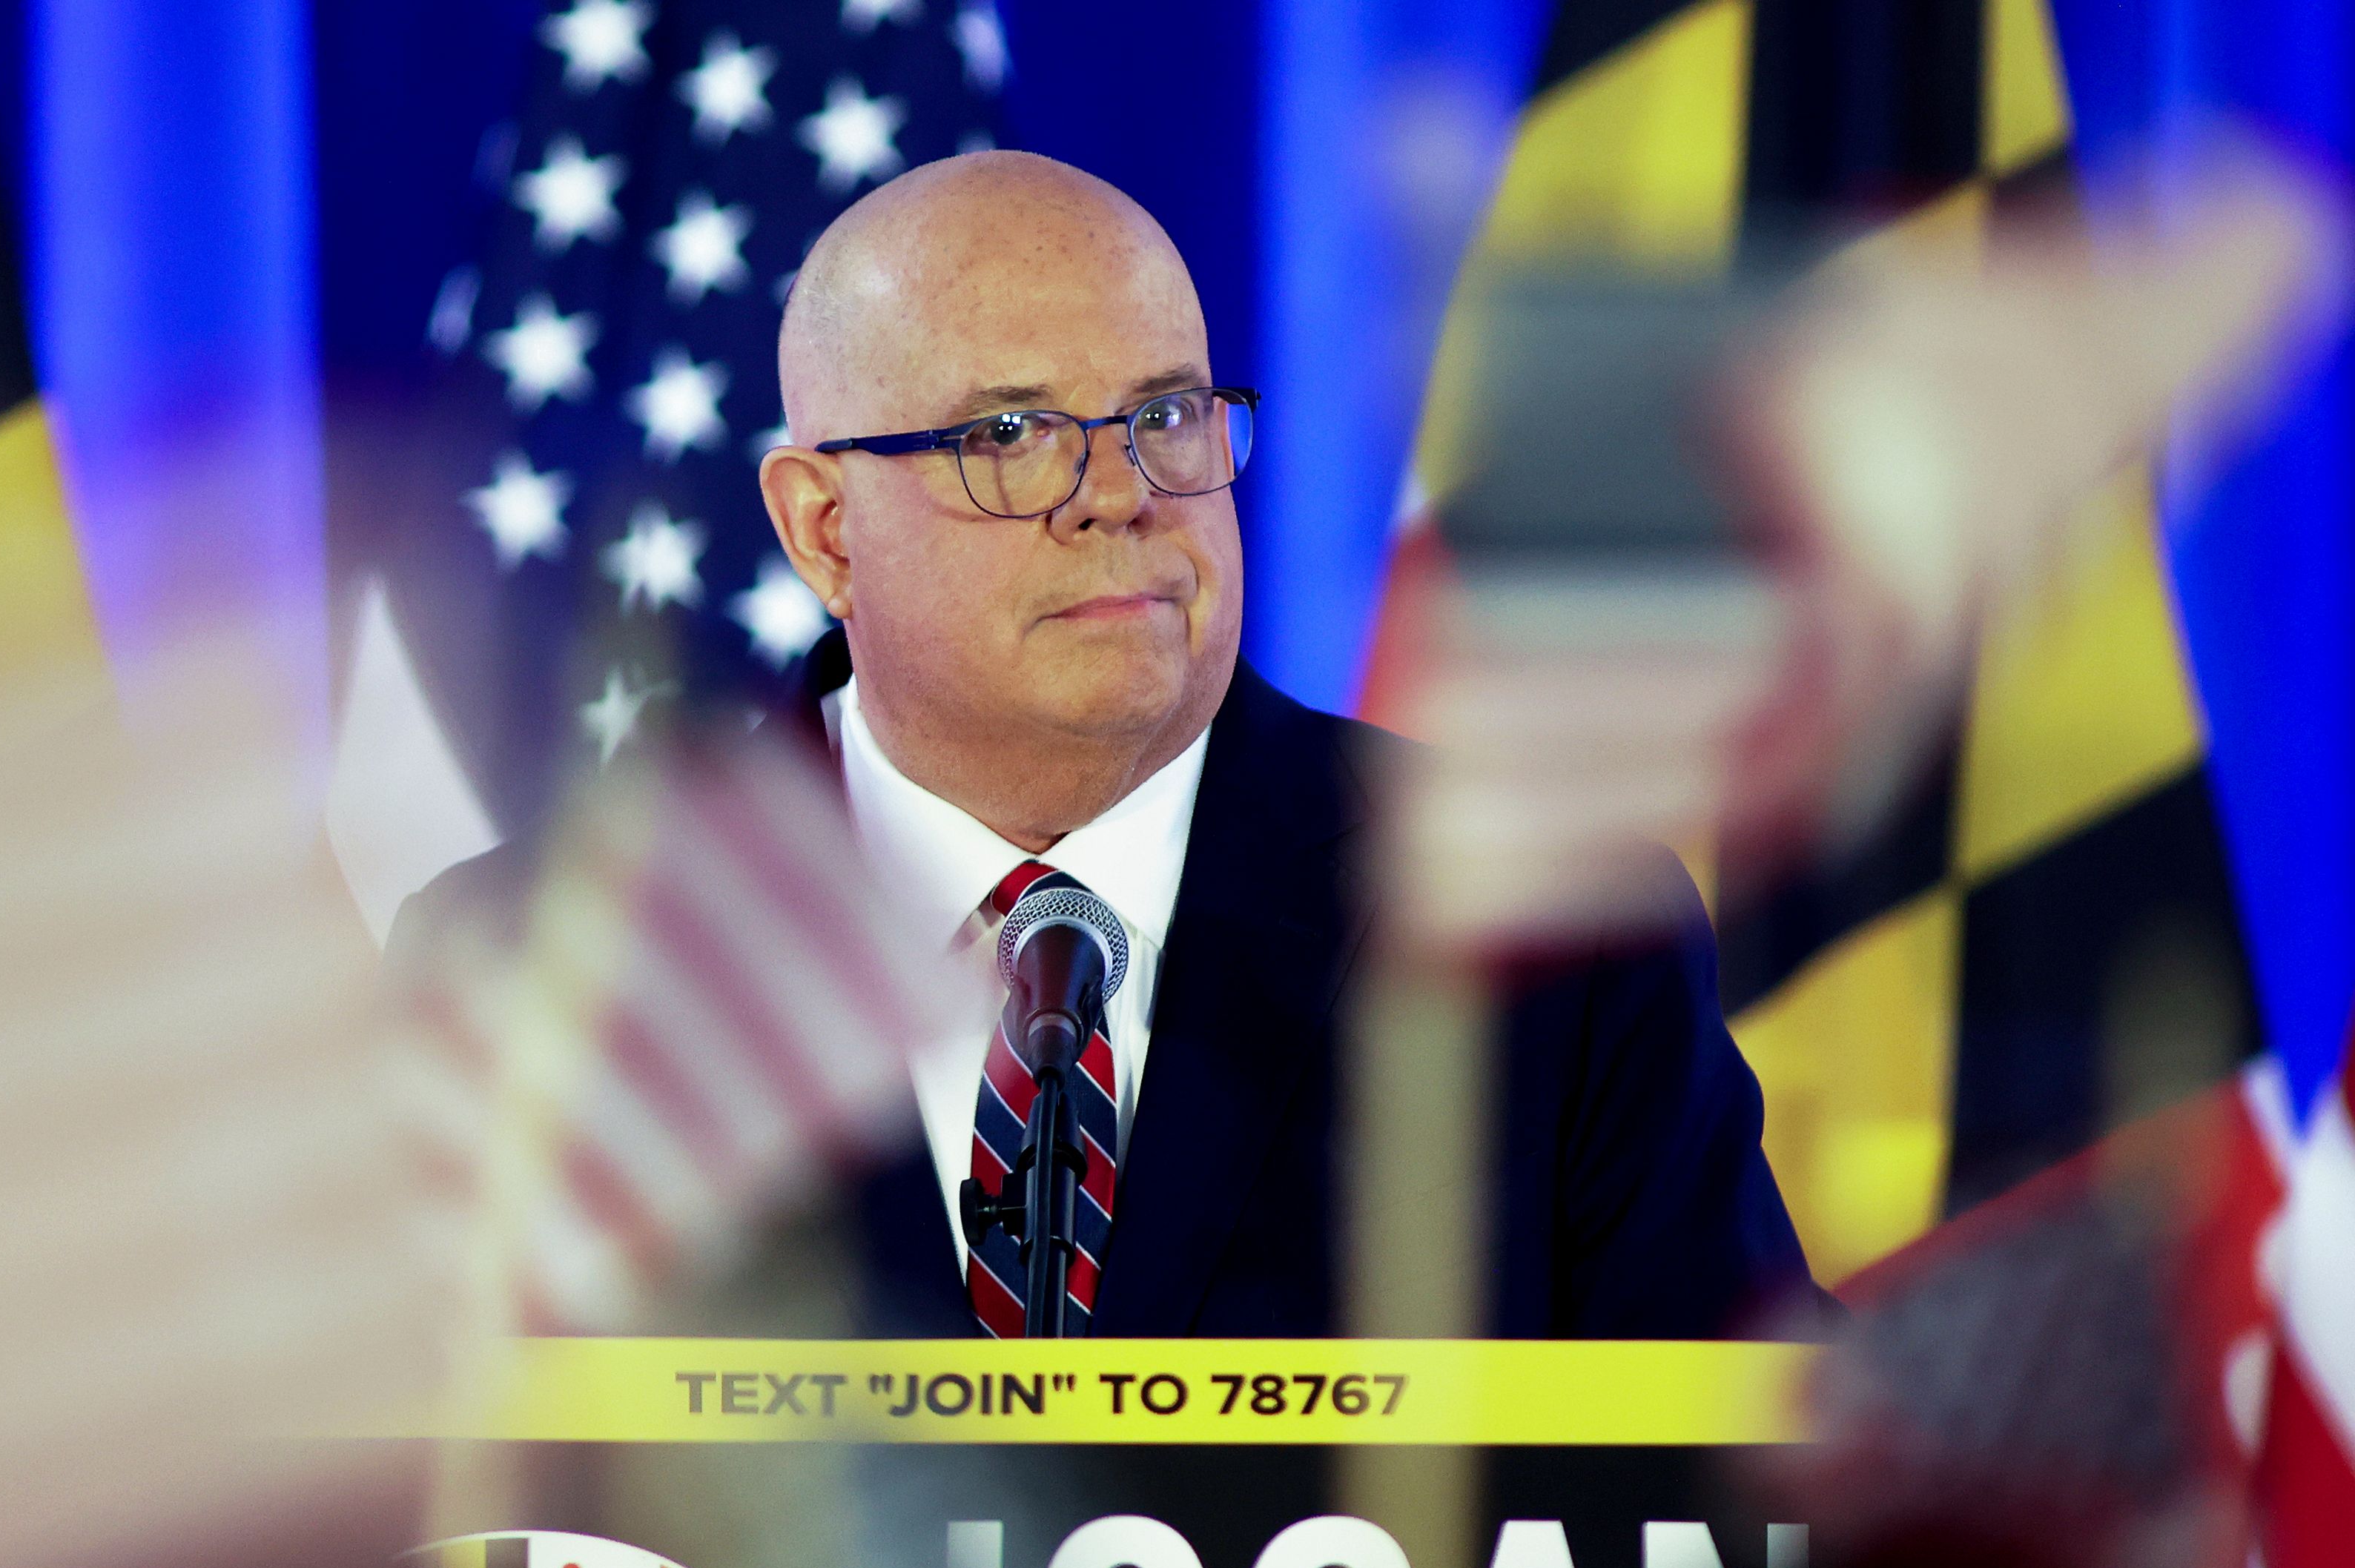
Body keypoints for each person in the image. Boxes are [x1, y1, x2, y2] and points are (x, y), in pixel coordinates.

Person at [732, 150, 1806, 1340]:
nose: (1117, 492)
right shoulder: (553, 979)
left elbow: (1758, 1485)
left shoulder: (1558, 939)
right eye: (1011, 434)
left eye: (1165, 416)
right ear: (825, 531)